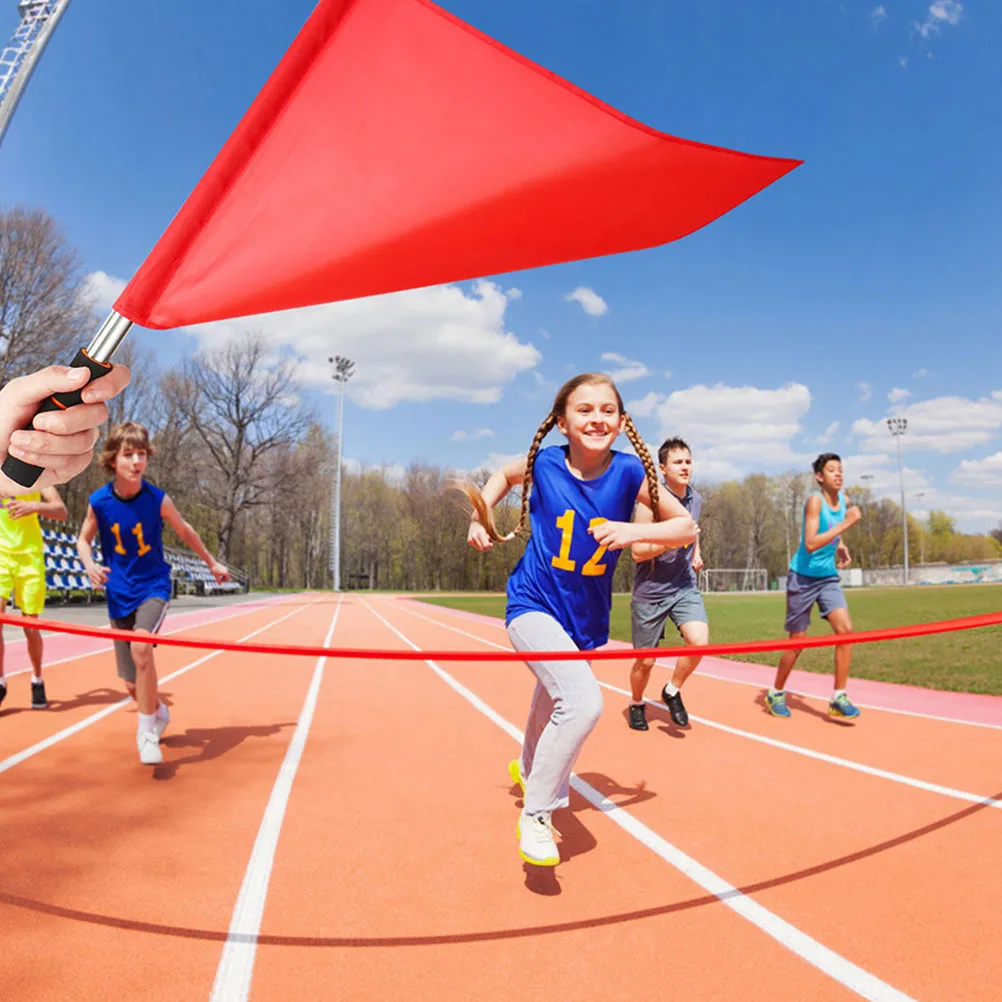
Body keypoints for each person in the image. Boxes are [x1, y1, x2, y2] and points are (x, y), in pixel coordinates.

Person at [462, 373, 698, 867]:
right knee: (583, 702)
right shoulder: (545, 462)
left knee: (552, 696)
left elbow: (685, 526)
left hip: (585, 618)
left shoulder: (631, 473)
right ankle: (538, 811)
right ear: (562, 422)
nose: (596, 418)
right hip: (532, 604)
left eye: (607, 410)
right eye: (584, 410)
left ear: (621, 422)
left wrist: (632, 531)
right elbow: (504, 477)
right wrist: (480, 519)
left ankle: (529, 768)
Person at [76, 422, 230, 765]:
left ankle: (146, 732)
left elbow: (185, 531)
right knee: (131, 683)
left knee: (142, 647)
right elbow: (83, 540)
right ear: (113, 460)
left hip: (153, 587)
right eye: (128, 455)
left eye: (141, 454)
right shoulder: (98, 501)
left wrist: (212, 562)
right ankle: (157, 711)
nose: (136, 461)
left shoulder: (157, 499)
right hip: (118, 592)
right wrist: (88, 564)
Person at [765, 453, 862, 720]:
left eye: (841, 470)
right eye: (832, 470)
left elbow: (831, 530)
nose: (838, 474)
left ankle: (838, 696)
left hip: (827, 577)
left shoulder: (843, 500)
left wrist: (840, 546)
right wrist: (846, 524)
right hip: (803, 577)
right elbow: (810, 542)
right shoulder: (815, 501)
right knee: (797, 643)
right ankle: (775, 692)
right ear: (820, 476)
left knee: (846, 632)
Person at [627, 437, 707, 731]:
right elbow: (637, 552)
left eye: (688, 461)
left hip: (684, 585)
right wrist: (671, 540)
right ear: (663, 469)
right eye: (678, 462)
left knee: (698, 643)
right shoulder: (651, 503)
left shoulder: (695, 499)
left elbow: (692, 529)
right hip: (651, 592)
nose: (685, 467)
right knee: (645, 663)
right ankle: (636, 702)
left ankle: (672, 690)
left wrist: (695, 551)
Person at [0, 487, 68, 710]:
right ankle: (0, 681)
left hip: (29, 557)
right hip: (1, 554)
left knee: (30, 627)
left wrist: (33, 506)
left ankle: (37, 679)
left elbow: (61, 511)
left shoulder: (38, 476)